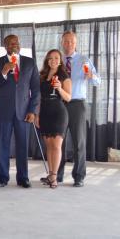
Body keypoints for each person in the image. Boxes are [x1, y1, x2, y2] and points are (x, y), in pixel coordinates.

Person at [0, 34, 40, 188]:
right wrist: (4, 72)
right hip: (4, 111)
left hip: (24, 111)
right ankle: (2, 178)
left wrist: (33, 110)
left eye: (16, 43)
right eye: (11, 43)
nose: (14, 45)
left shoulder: (29, 62)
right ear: (5, 46)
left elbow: (36, 89)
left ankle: (23, 178)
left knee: (22, 145)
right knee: (3, 144)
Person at [56, 31, 101, 187]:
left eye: (72, 42)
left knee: (79, 142)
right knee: (58, 142)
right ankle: (57, 174)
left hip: (77, 104)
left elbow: (98, 81)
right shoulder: (57, 60)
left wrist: (91, 76)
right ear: (62, 42)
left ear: (75, 44)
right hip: (59, 104)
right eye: (66, 41)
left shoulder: (84, 60)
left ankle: (79, 176)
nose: (69, 44)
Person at [36, 49, 71, 189]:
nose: (53, 60)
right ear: (47, 60)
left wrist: (59, 88)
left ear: (60, 60)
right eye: (50, 58)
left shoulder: (64, 76)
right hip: (44, 112)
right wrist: (37, 114)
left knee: (56, 146)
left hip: (58, 112)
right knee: (49, 146)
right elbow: (38, 98)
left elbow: (68, 97)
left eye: (56, 58)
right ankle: (50, 175)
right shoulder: (42, 75)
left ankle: (54, 177)